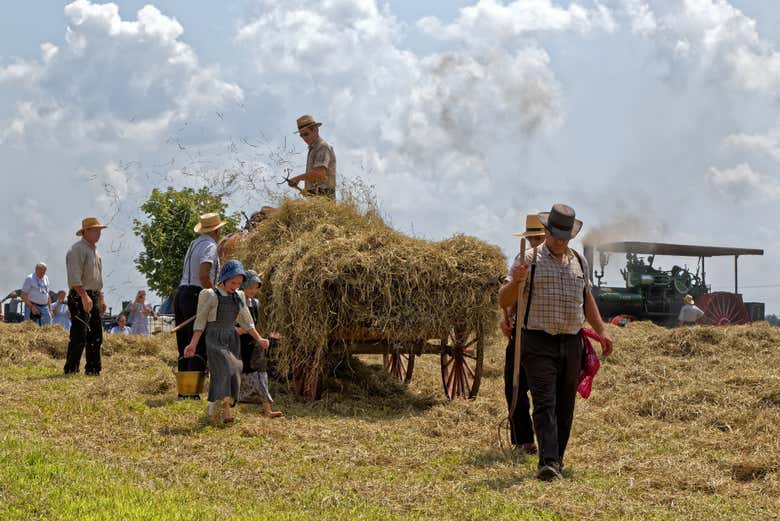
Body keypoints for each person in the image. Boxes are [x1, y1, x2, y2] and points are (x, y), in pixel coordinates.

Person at [499, 204, 613, 481]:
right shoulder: (528, 259)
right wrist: (516, 282)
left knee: (565, 405)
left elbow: (587, 299)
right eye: (556, 235)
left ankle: (557, 459)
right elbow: (504, 299)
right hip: (537, 341)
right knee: (544, 401)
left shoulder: (579, 262)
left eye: (565, 237)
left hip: (572, 341)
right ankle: (547, 462)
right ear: (547, 232)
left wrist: (602, 330)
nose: (560, 241)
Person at [183, 260, 270, 424]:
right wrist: (193, 344)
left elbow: (247, 321)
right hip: (215, 338)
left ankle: (215, 406)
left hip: (232, 338)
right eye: (232, 282)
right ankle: (226, 412)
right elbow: (200, 322)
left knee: (235, 369)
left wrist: (259, 338)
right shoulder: (210, 295)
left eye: (239, 283)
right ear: (224, 278)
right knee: (226, 369)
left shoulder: (239, 296)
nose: (236, 286)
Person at [498, 214, 546, 455]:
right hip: (520, 332)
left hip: (545, 333)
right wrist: (506, 318)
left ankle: (549, 441)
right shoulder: (521, 259)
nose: (534, 242)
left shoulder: (557, 261)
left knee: (543, 392)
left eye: (538, 237)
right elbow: (506, 294)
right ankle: (524, 440)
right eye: (531, 237)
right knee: (513, 385)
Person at [174, 213, 225, 398]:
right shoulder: (210, 246)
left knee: (184, 343)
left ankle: (185, 390)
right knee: (198, 341)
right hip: (196, 294)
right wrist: (213, 294)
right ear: (217, 230)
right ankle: (192, 392)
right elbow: (204, 273)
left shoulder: (194, 244)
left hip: (181, 293)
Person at [64, 217, 107, 375]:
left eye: (99, 231)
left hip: (92, 295)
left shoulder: (95, 252)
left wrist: (100, 298)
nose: (99, 234)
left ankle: (93, 369)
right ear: (86, 231)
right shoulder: (77, 249)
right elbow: (74, 277)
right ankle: (71, 369)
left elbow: (98, 280)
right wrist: (84, 296)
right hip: (79, 295)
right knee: (79, 334)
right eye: (96, 230)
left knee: (96, 335)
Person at [237, 270, 283, 418]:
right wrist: (246, 331)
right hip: (238, 345)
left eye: (256, 287)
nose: (253, 290)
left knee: (262, 374)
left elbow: (256, 325)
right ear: (243, 286)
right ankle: (230, 407)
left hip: (254, 344)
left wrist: (267, 335)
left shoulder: (256, 303)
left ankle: (267, 410)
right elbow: (233, 328)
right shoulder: (235, 301)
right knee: (240, 376)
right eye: (250, 287)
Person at [286, 114, 337, 198]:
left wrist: (297, 179)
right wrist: (307, 191)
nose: (304, 138)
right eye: (301, 135)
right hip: (315, 197)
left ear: (316, 130)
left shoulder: (322, 146)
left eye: (306, 134)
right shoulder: (312, 149)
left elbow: (319, 174)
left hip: (324, 196)